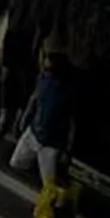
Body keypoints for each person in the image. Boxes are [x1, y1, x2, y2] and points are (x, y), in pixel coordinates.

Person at [8, 44, 76, 183]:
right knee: (16, 163)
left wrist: (68, 150)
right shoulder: (42, 78)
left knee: (49, 184)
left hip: (50, 143)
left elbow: (72, 122)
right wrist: (24, 118)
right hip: (34, 132)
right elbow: (34, 97)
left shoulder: (66, 92)